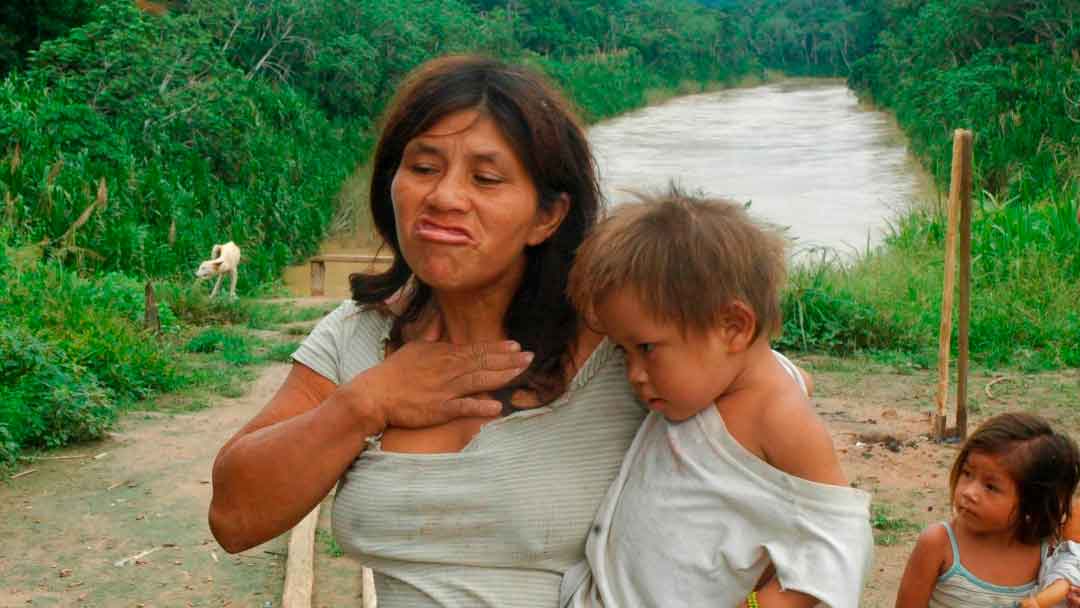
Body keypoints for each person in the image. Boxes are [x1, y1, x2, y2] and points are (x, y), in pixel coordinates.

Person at [207, 55, 650, 607]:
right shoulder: (358, 335)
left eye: (485, 178)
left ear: (548, 215)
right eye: (422, 168)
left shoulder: (626, 345)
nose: (443, 198)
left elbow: (774, 432)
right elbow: (233, 517)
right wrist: (365, 403)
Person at [561, 188, 874, 608]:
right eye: (623, 351)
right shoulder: (738, 377)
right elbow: (797, 375)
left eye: (647, 349)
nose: (634, 374)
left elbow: (840, 538)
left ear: (733, 327)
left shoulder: (775, 416)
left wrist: (763, 605)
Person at [895, 412, 1080, 608]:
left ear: (1033, 502)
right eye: (967, 473)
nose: (968, 492)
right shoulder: (939, 544)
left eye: (991, 487)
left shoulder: (1047, 552)